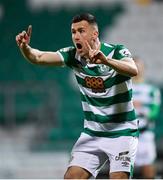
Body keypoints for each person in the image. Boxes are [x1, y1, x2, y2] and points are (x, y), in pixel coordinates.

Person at [16, 13, 139, 179]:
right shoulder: (73, 56)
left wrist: (106, 62)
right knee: (71, 177)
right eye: (73, 32)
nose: (76, 36)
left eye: (81, 31)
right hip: (93, 133)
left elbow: (133, 70)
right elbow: (39, 57)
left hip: (122, 132)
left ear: (95, 33)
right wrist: (25, 47)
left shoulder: (116, 51)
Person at [132, 57, 161, 179]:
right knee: (123, 169)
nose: (137, 69)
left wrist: (142, 110)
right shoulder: (123, 88)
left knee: (148, 167)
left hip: (145, 134)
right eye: (134, 65)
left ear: (144, 68)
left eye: (139, 66)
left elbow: (154, 112)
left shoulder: (152, 90)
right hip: (126, 134)